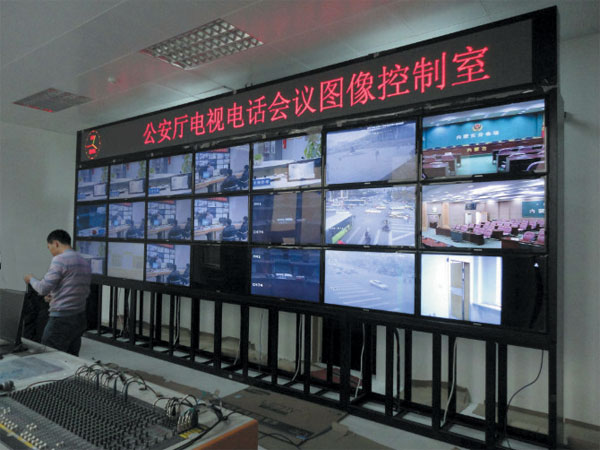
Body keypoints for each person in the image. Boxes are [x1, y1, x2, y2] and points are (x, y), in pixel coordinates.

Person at [23, 230, 91, 356]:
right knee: (71, 358)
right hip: (79, 318)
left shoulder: (60, 259)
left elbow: (42, 288)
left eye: (49, 247)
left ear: (56, 243)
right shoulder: (83, 260)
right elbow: (76, 289)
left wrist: (30, 279)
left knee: (49, 357)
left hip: (61, 319)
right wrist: (54, 296)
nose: (50, 251)